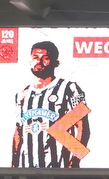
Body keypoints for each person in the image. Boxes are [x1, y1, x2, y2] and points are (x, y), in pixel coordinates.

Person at [12, 40, 91, 169]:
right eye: (35, 57)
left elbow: (83, 127)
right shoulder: (22, 95)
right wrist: (14, 163)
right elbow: (18, 131)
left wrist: (75, 161)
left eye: (46, 58)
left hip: (59, 167)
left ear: (56, 63)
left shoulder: (69, 88)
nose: (39, 61)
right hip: (27, 168)